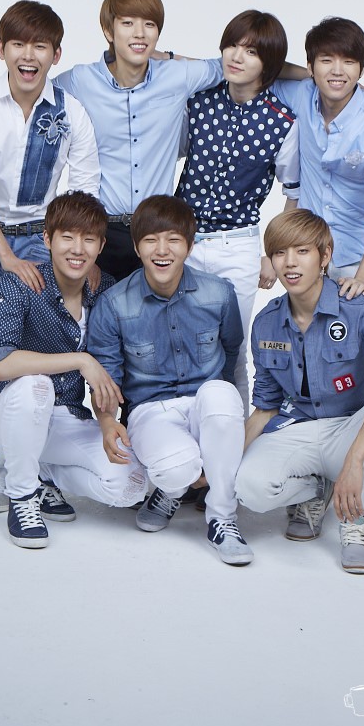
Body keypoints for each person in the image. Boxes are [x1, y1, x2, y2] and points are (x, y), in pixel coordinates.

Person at [0, 0, 309, 283]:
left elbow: (246, 63)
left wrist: (315, 77)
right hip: (100, 231)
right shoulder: (80, 81)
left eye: (149, 24)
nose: (139, 33)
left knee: (152, 335)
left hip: (155, 233)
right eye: (128, 23)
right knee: (94, 330)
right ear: (109, 31)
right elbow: (29, 82)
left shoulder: (179, 77)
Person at [0, 0, 100, 511]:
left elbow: (84, 190)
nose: (28, 55)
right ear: (2, 50)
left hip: (41, 237)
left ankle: (9, 461)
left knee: (23, 353)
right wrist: (5, 255)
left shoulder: (71, 112)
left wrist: (82, 253)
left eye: (40, 45)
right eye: (18, 44)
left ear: (56, 54)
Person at [235, 209, 364, 574]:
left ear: (325, 256)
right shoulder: (267, 322)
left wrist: (355, 459)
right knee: (247, 487)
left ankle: (356, 521)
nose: (290, 262)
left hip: (350, 429)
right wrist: (222, 464)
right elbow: (265, 407)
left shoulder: (361, 308)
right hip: (299, 427)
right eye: (280, 252)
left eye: (302, 251)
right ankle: (317, 490)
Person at [86, 195, 254, 566]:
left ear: (190, 246)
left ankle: (222, 518)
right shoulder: (114, 304)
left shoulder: (219, 293)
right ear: (136, 247)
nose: (162, 250)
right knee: (177, 468)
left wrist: (226, 431)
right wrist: (107, 421)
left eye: (173, 240)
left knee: (222, 394)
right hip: (151, 411)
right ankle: (170, 489)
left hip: (206, 404)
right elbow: (107, 378)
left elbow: (231, 358)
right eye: (151, 240)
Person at [0, 191, 147, 548]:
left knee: (131, 485)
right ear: (47, 239)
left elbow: (108, 370)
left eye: (88, 240)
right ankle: (22, 496)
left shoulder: (105, 290)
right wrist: (81, 360)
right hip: (8, 415)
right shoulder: (22, 282)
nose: (77, 249)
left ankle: (44, 475)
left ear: (101, 246)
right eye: (67, 237)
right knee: (35, 385)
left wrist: (106, 422)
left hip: (65, 417)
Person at [176, 9, 299, 410]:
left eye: (251, 51)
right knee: (183, 344)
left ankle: (235, 438)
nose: (236, 56)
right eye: (232, 45)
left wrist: (271, 254)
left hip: (238, 246)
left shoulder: (282, 122)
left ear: (269, 64)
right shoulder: (198, 103)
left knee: (233, 349)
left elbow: (293, 192)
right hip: (183, 243)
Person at [273, 17, 364, 299]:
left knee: (360, 328)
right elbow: (261, 67)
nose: (337, 70)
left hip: (357, 259)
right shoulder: (301, 95)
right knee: (303, 328)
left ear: (361, 69)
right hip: (306, 256)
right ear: (310, 66)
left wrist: (363, 279)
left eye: (348, 62)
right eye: (326, 60)